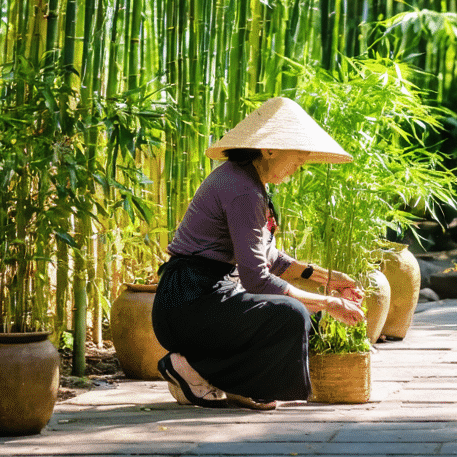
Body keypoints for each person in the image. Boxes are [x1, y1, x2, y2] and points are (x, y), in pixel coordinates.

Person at [152, 96, 366, 411]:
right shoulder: (242, 189)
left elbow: (271, 259)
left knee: (295, 311)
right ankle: (195, 370)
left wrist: (329, 280)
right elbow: (256, 278)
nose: (301, 165)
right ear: (269, 149)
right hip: (189, 301)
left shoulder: (249, 182)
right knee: (291, 314)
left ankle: (200, 372)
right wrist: (327, 302)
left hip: (199, 300)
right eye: (299, 156)